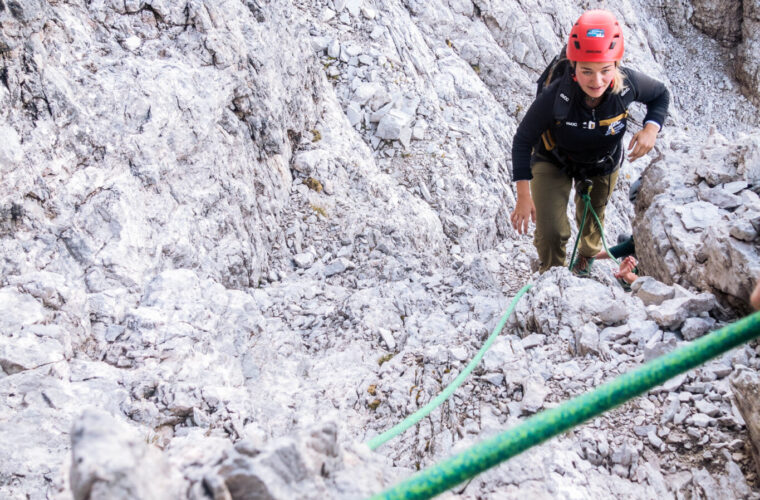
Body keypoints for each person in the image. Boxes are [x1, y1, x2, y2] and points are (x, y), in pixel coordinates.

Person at [509, 10, 670, 276]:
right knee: (550, 229)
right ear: (573, 66)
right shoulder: (556, 95)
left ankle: (585, 259)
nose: (596, 81)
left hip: (602, 163)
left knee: (592, 222)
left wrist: (651, 128)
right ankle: (552, 273)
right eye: (586, 71)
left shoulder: (628, 85)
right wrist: (523, 196)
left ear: (616, 65)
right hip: (554, 159)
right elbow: (523, 141)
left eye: (605, 70)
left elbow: (660, 95)